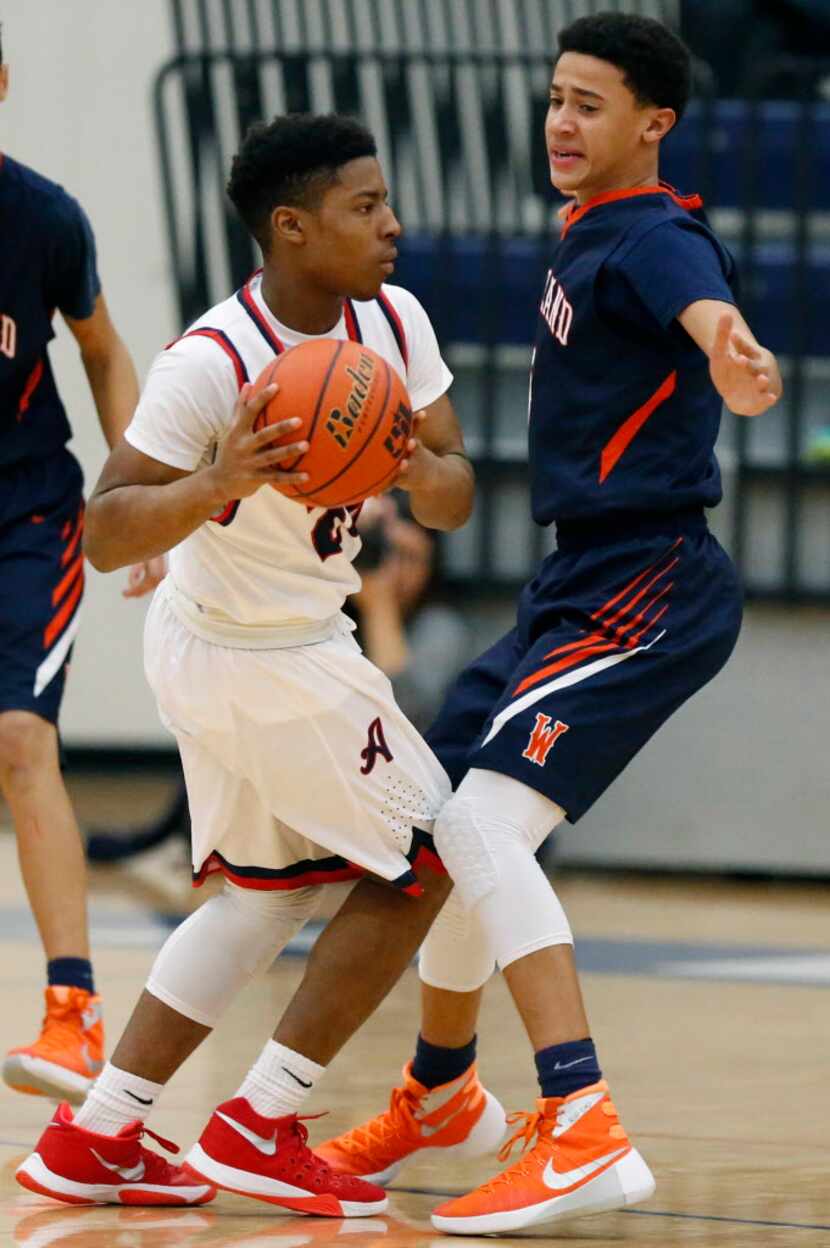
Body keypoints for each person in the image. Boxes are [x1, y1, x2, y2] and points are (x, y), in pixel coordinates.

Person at [315, 14, 782, 1235]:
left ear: (653, 125)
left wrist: (725, 349)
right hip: (569, 582)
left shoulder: (651, 236)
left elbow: (697, 301)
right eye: (555, 99)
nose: (562, 124)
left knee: (478, 827)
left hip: (649, 578)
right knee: (449, 829)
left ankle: (579, 1122)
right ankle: (434, 1090)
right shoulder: (582, 235)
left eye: (590, 104)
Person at [15, 112, 506, 1215]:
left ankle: (97, 1136)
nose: (393, 225)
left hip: (282, 644)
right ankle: (261, 1120)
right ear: (291, 227)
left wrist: (413, 472)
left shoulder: (396, 318)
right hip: (252, 652)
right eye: (365, 206)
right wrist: (216, 482)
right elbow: (101, 531)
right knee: (431, 860)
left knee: (256, 902)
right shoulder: (212, 360)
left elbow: (458, 484)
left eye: (385, 202)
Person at [0, 26, 160, 1104]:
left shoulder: (44, 216)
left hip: (29, 512)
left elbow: (103, 352)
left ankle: (73, 1012)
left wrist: (135, 493)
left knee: (19, 734)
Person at [350, 497, 471, 732]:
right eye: (382, 551)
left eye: (407, 557)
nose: (391, 569)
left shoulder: (441, 628)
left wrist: (379, 608)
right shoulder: (323, 616)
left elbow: (407, 722)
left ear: (431, 566)